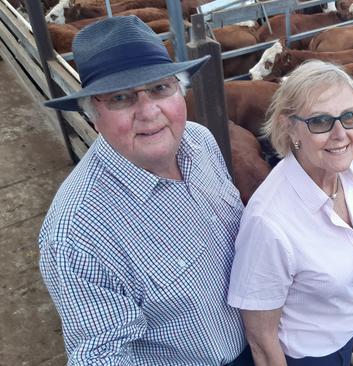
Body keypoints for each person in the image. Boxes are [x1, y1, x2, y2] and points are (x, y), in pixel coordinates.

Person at [39, 16, 252, 365]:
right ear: (94, 114)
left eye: (160, 88)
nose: (149, 111)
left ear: (180, 91)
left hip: (263, 337)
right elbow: (103, 357)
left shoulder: (199, 141)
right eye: (122, 98)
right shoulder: (75, 235)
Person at [227, 60, 353, 365]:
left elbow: (328, 254)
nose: (340, 134)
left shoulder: (346, 172)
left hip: (347, 335)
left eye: (349, 117)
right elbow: (261, 340)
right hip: (305, 357)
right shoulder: (269, 223)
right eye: (321, 121)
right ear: (289, 126)